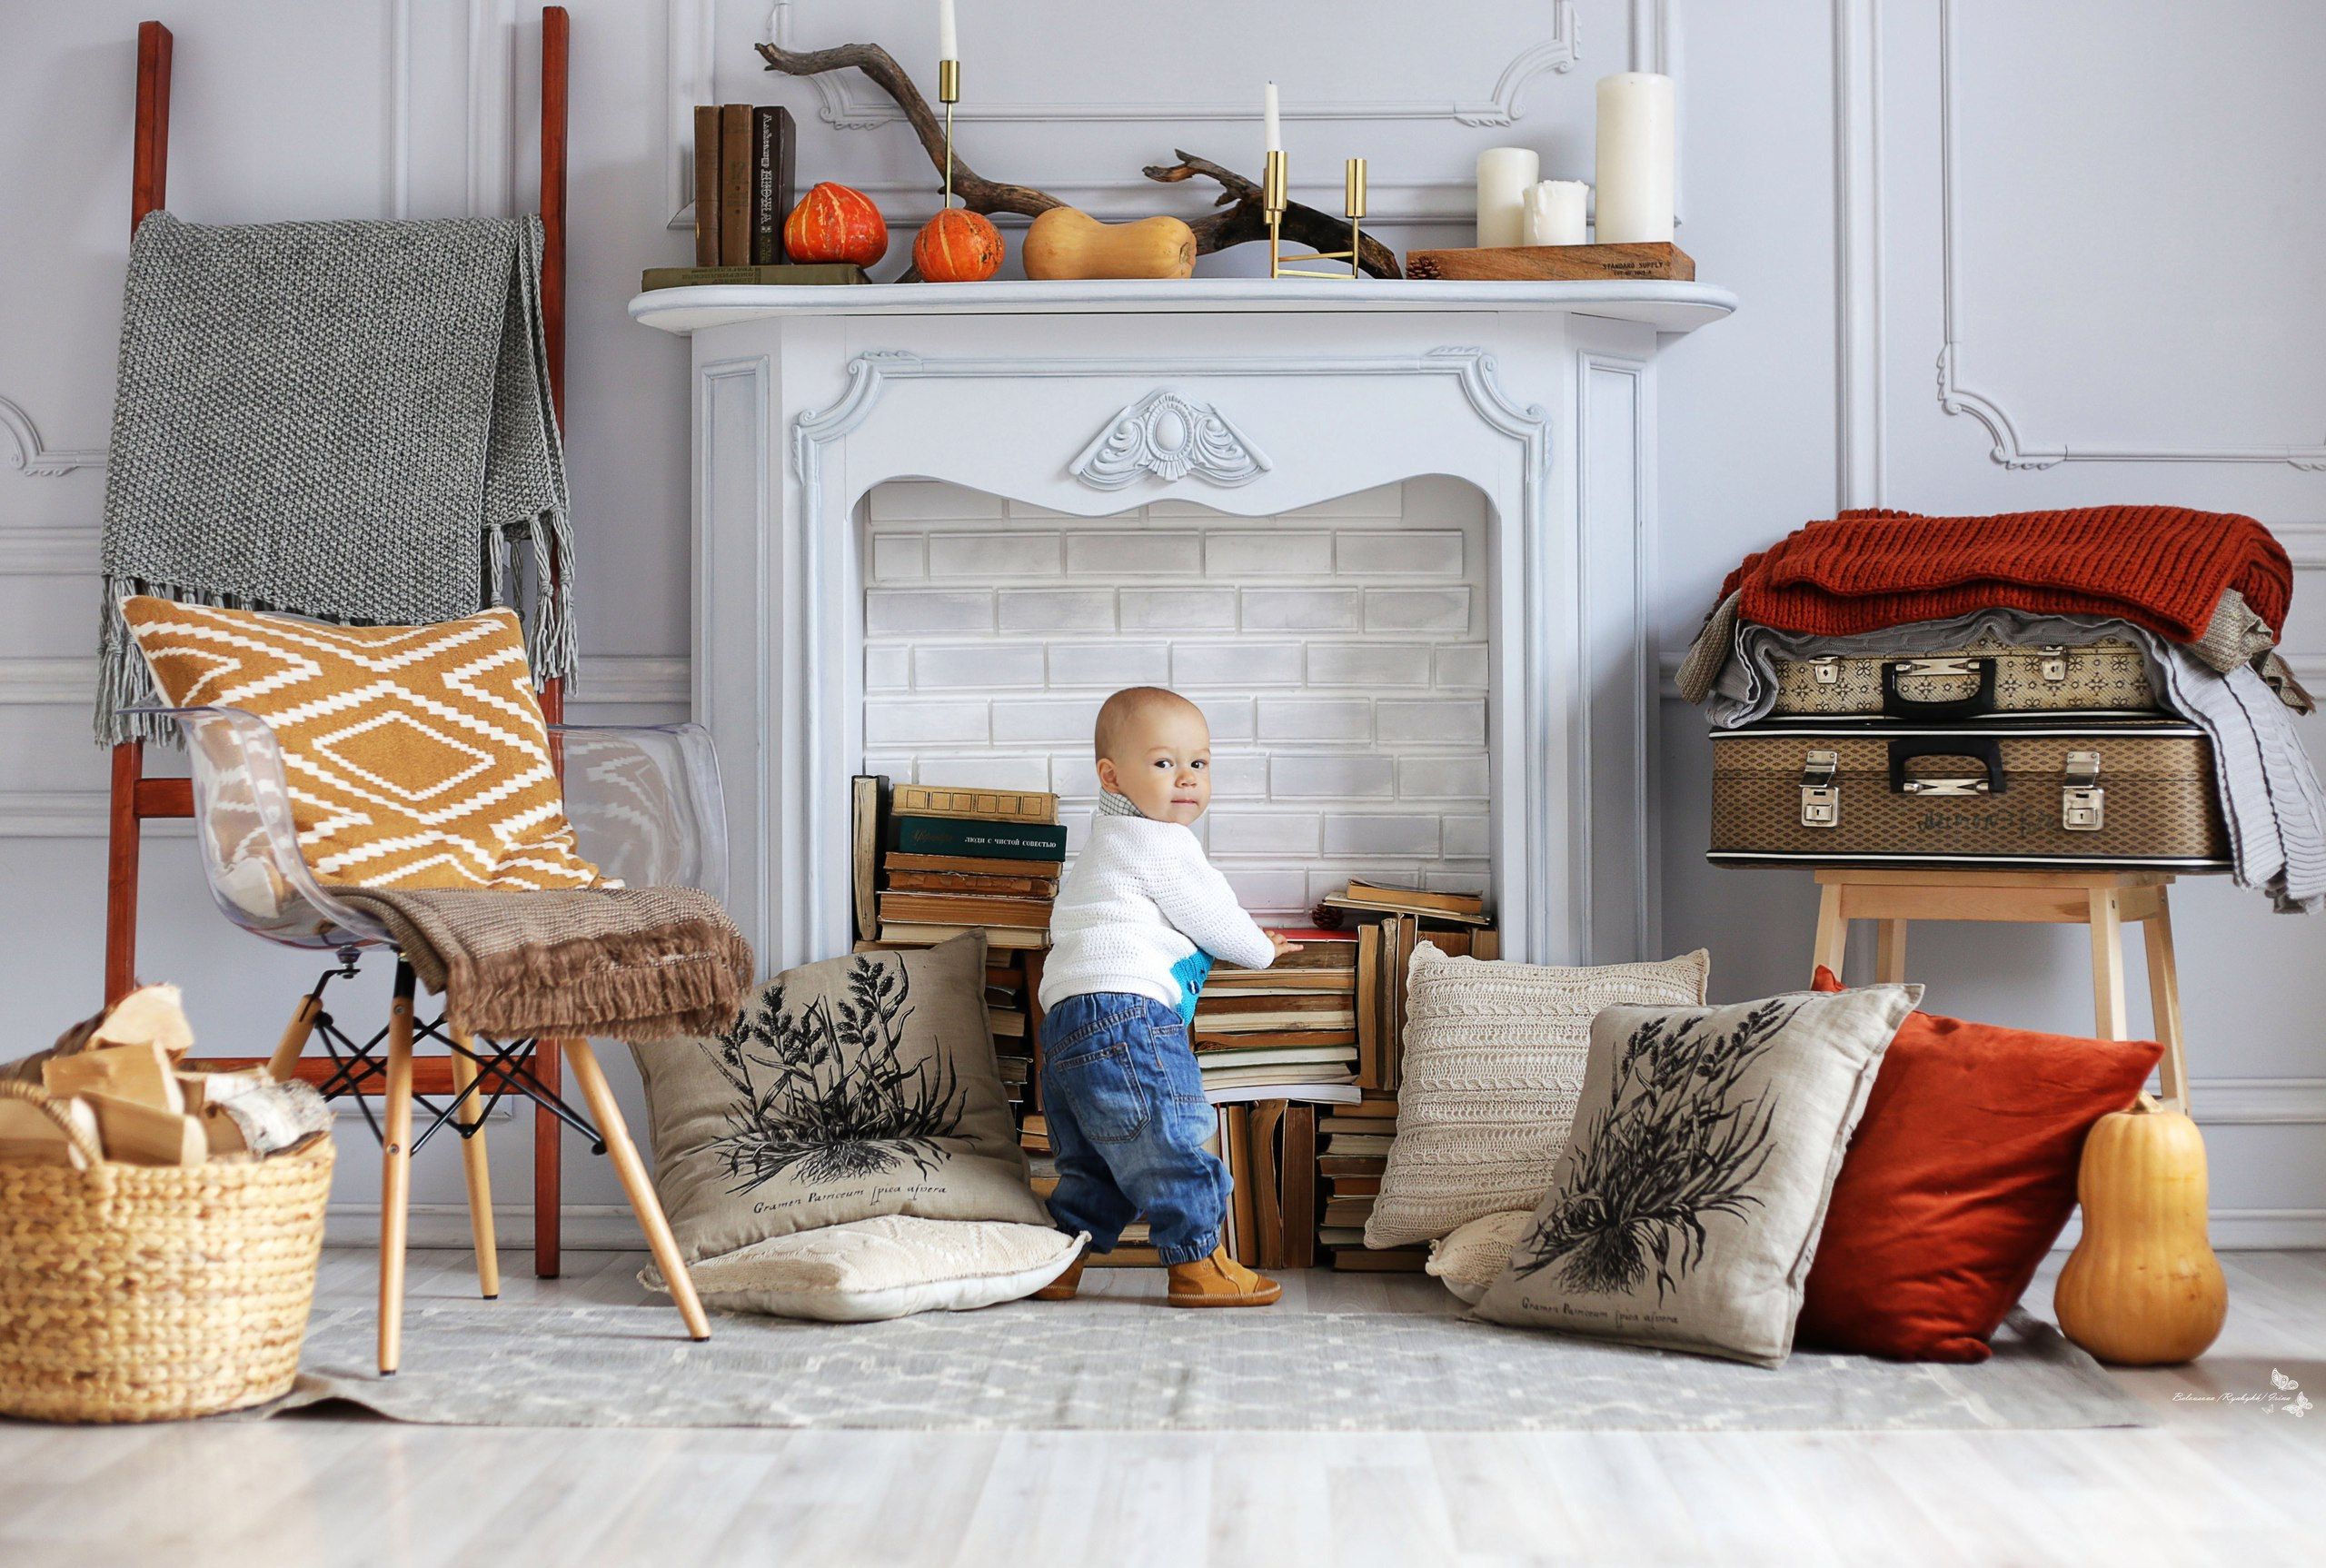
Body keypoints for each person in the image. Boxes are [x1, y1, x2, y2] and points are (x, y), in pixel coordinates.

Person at [1031, 686, 1298, 1305]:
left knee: (1099, 1161)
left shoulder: (1099, 844)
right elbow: (1213, 914)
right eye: (1163, 763)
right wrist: (1260, 947)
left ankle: (1060, 1265)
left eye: (1198, 764)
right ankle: (1198, 1264)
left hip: (1067, 1023)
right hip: (1127, 1016)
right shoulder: (1162, 842)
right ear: (1112, 776)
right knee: (1173, 1134)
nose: (1186, 779)